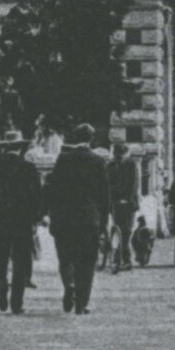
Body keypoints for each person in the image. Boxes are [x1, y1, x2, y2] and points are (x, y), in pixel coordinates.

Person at [45, 123, 111, 315]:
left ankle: (69, 285)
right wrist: (104, 222)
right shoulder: (98, 161)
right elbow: (104, 196)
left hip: (65, 219)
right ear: (91, 139)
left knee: (66, 258)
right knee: (87, 261)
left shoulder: (63, 159)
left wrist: (52, 215)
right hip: (89, 220)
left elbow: (53, 190)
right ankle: (82, 303)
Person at [0, 129, 43, 315]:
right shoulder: (28, 168)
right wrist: (36, 219)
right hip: (22, 222)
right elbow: (37, 197)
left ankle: (1, 284)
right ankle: (17, 302)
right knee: (21, 261)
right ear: (20, 148)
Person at [106, 140, 141, 273]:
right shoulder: (109, 166)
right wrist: (110, 200)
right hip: (115, 202)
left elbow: (134, 185)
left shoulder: (131, 165)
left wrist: (128, 199)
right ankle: (117, 258)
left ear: (125, 154)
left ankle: (126, 260)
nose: (118, 158)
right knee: (117, 229)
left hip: (129, 204)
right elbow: (107, 184)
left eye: (120, 155)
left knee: (126, 232)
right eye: (116, 155)